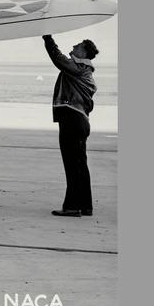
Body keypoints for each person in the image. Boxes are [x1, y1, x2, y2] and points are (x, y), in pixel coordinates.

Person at [43, 34, 98, 217]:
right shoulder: (84, 70)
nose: (74, 46)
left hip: (72, 119)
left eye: (78, 45)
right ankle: (85, 206)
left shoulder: (80, 68)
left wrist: (48, 38)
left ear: (84, 53)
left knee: (72, 164)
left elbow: (58, 59)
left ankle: (73, 206)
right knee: (80, 164)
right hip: (80, 120)